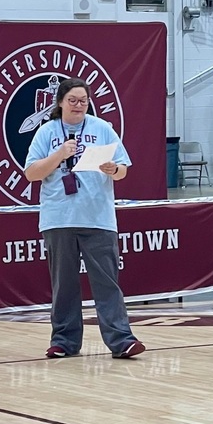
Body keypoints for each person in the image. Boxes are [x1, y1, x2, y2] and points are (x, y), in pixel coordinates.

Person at [24, 77, 145, 360]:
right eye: (72, 101)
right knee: (63, 284)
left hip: (98, 217)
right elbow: (31, 173)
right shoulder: (46, 132)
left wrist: (114, 168)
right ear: (60, 103)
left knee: (107, 283)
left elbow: (123, 169)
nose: (78, 106)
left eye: (83, 101)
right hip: (59, 218)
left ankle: (121, 340)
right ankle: (64, 341)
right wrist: (59, 154)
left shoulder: (102, 129)